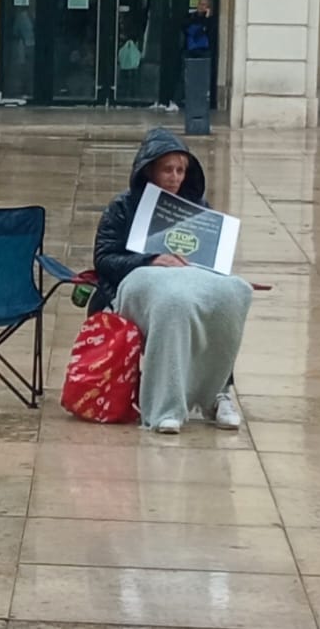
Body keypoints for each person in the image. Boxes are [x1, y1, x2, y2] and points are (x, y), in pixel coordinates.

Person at [92, 129, 252, 435]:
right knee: (174, 303)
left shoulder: (197, 208)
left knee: (234, 293)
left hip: (189, 279)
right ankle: (166, 406)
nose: (175, 177)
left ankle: (217, 393)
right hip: (138, 284)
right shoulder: (122, 207)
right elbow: (104, 259)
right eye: (167, 169)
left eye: (180, 170)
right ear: (149, 169)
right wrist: (149, 260)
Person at [181, 0, 216, 109]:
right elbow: (187, 28)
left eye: (205, 5)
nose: (202, 7)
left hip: (204, 51)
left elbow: (208, 30)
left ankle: (203, 101)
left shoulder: (210, 19)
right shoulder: (191, 16)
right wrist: (201, 27)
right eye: (200, 4)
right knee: (188, 76)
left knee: (203, 78)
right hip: (191, 50)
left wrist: (206, 19)